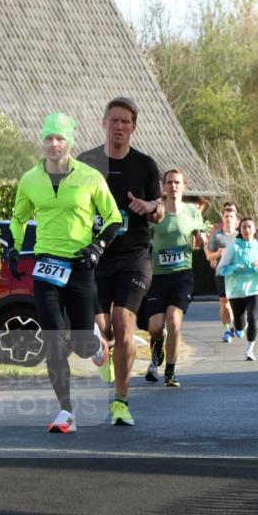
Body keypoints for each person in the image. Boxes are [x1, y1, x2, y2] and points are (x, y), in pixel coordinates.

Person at [8, 112, 121, 433]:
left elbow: (113, 218)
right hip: (46, 267)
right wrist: (15, 246)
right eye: (49, 138)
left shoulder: (90, 177)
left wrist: (97, 247)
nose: (54, 144)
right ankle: (65, 412)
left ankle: (97, 346)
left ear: (69, 142)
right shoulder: (30, 179)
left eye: (59, 138)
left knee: (82, 344)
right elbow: (18, 217)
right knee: (54, 339)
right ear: (42, 142)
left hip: (80, 266)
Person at [78, 97, 163, 426]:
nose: (119, 126)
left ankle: (121, 402)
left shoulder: (145, 166)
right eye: (114, 120)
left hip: (134, 258)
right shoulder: (86, 164)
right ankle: (103, 350)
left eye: (125, 122)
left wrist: (149, 207)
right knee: (104, 328)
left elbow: (160, 210)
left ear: (133, 127)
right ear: (104, 123)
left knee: (124, 324)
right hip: (97, 258)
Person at [144, 169, 207, 387]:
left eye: (177, 183)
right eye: (169, 182)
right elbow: (144, 235)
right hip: (158, 276)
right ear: (164, 186)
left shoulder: (192, 211)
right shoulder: (157, 211)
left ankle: (170, 373)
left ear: (184, 186)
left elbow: (200, 234)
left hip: (182, 275)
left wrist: (201, 238)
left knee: (173, 320)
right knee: (154, 328)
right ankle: (158, 347)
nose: (173, 186)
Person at [218, 218, 258, 361]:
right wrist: (236, 268)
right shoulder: (233, 248)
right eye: (244, 227)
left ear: (255, 230)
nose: (247, 230)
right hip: (236, 291)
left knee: (253, 318)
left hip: (255, 289)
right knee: (240, 325)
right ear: (240, 230)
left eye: (249, 227)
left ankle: (249, 350)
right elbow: (221, 269)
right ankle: (237, 326)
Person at [205, 202, 239, 343]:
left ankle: (238, 323)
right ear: (223, 218)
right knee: (224, 304)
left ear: (235, 219)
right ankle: (227, 329)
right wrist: (218, 253)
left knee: (238, 303)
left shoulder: (240, 236)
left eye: (231, 217)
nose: (228, 219)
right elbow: (209, 256)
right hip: (221, 274)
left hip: (238, 275)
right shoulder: (216, 236)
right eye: (226, 216)